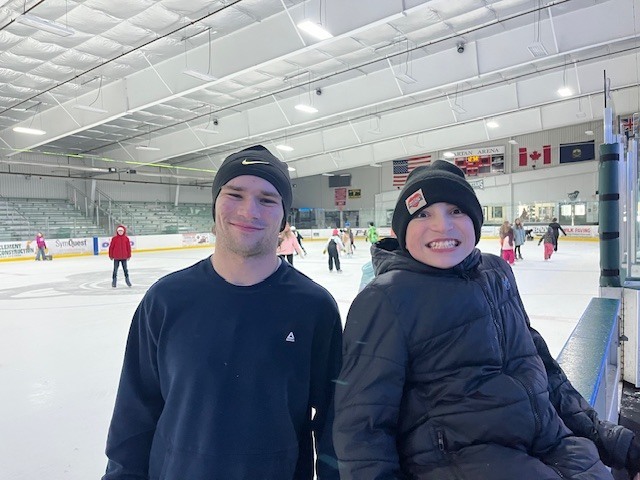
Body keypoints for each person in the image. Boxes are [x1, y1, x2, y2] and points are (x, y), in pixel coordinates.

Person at [333, 160, 640, 480]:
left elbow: (543, 368)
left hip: (557, 448)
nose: (442, 226)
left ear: (475, 221)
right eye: (423, 214)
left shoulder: (497, 273)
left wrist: (611, 440)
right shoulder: (386, 299)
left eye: (456, 210)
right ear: (401, 230)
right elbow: (363, 430)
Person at [102, 145, 342, 480]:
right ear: (214, 202)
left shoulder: (314, 307)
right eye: (235, 194)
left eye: (268, 200)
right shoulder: (166, 300)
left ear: (284, 218)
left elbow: (335, 424)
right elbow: (134, 414)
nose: (249, 210)